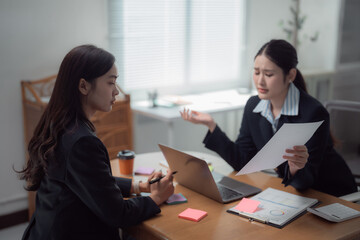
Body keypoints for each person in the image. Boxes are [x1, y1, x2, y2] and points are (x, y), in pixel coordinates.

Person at [18, 45, 174, 240]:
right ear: (83, 86)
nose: (116, 91)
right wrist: (157, 198)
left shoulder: (60, 124)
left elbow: (89, 181)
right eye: (111, 83)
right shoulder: (82, 142)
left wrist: (138, 186)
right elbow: (118, 214)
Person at [180, 39, 357, 197]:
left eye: (269, 74)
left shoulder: (313, 113)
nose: (260, 81)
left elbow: (305, 182)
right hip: (294, 193)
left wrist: (295, 169)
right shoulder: (254, 106)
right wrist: (212, 126)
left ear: (291, 75)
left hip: (330, 195)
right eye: (256, 72)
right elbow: (243, 161)